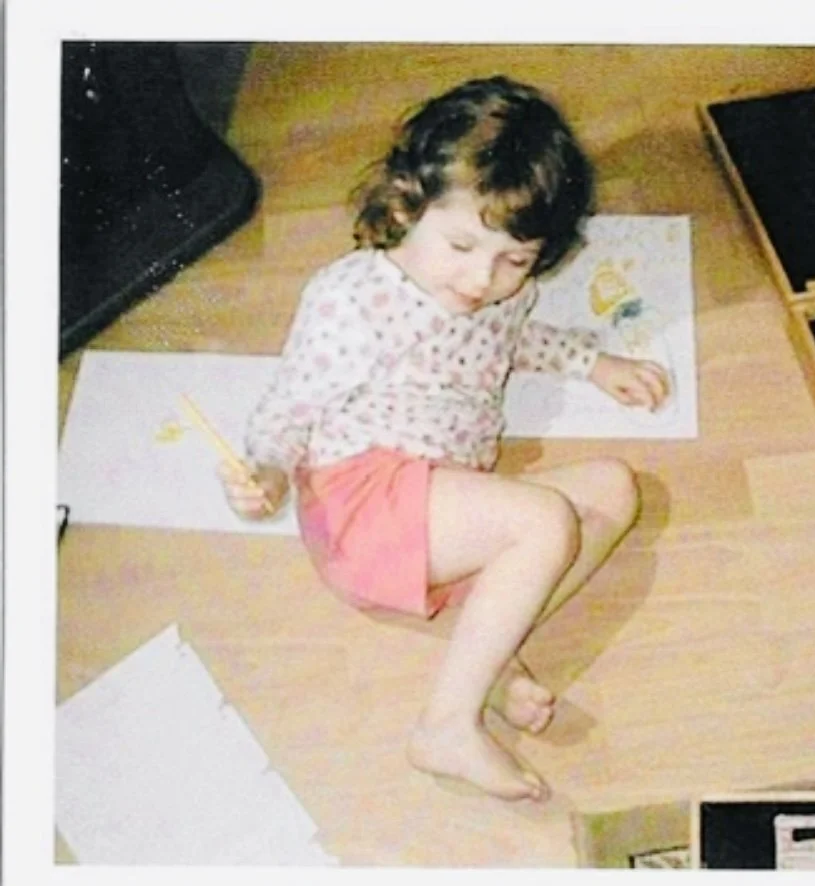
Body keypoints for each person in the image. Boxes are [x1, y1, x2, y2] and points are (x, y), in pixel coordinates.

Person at [218, 76, 669, 802]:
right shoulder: (351, 298)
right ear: (405, 205)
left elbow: (512, 335)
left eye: (514, 260)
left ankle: (488, 659)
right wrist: (267, 468)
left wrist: (594, 361)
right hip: (365, 510)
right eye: (460, 245)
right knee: (544, 521)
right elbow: (289, 403)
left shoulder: (502, 290)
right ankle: (445, 726)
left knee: (615, 488)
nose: (481, 279)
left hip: (444, 514)